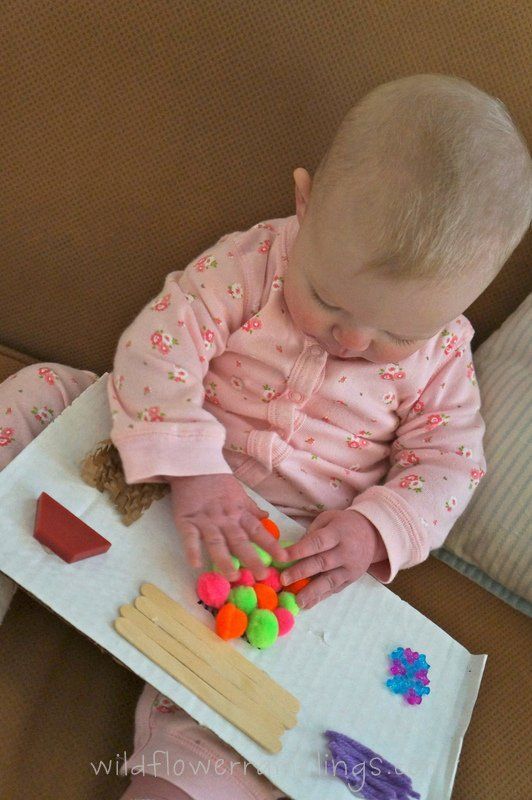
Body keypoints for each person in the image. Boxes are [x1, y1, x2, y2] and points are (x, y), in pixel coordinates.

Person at [1, 73, 530, 799]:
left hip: (271, 562)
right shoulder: (253, 262)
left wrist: (374, 532)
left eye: (395, 334)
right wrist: (192, 465)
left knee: (242, 745)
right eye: (329, 300)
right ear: (305, 206)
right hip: (154, 465)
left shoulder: (441, 359)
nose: (353, 339)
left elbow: (449, 464)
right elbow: (161, 345)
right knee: (36, 397)